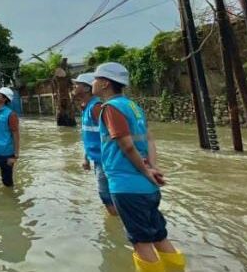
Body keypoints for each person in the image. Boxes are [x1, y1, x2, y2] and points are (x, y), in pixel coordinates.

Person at [92, 62, 185, 272]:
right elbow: (150, 139)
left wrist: (146, 171)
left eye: (96, 79)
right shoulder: (132, 106)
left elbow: (125, 144)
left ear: (105, 83)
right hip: (148, 187)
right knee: (160, 237)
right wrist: (152, 168)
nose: (93, 83)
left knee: (141, 242)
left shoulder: (110, 108)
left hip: (127, 186)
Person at [72, 72, 116, 216]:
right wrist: (86, 158)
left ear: (86, 89)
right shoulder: (87, 107)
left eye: (77, 84)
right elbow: (90, 135)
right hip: (98, 159)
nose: (74, 86)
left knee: (106, 195)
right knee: (106, 195)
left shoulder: (96, 107)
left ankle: (119, 221)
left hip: (106, 160)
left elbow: (111, 133)